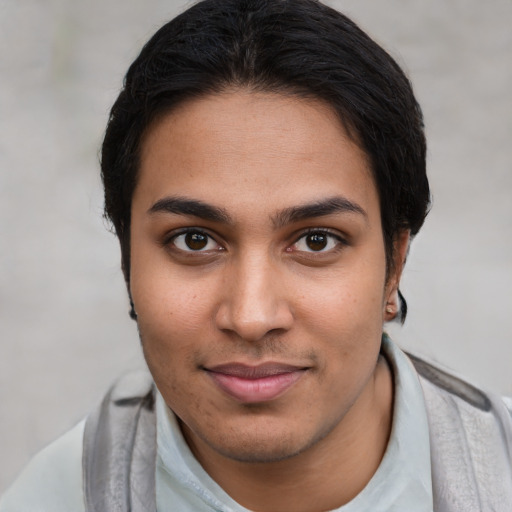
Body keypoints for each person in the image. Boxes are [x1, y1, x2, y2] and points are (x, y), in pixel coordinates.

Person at [1, 0, 511, 510]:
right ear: (126, 259)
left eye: (317, 240)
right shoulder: (58, 496)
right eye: (194, 240)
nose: (251, 317)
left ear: (394, 262)